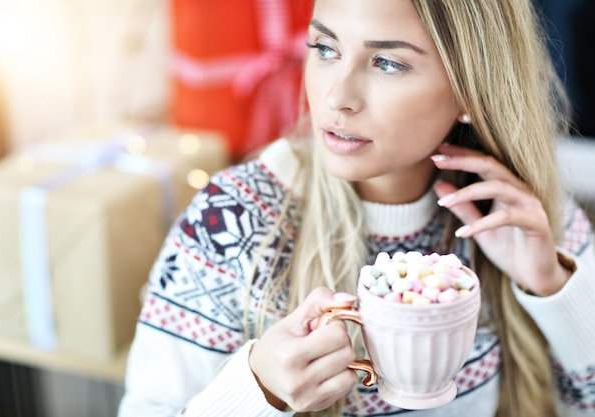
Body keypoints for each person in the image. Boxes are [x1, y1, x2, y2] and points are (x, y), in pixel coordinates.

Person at [118, 0, 595, 416]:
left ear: (471, 91)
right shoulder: (233, 219)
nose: (336, 97)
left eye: (386, 62)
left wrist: (552, 288)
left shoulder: (530, 217)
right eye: (325, 49)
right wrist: (258, 388)